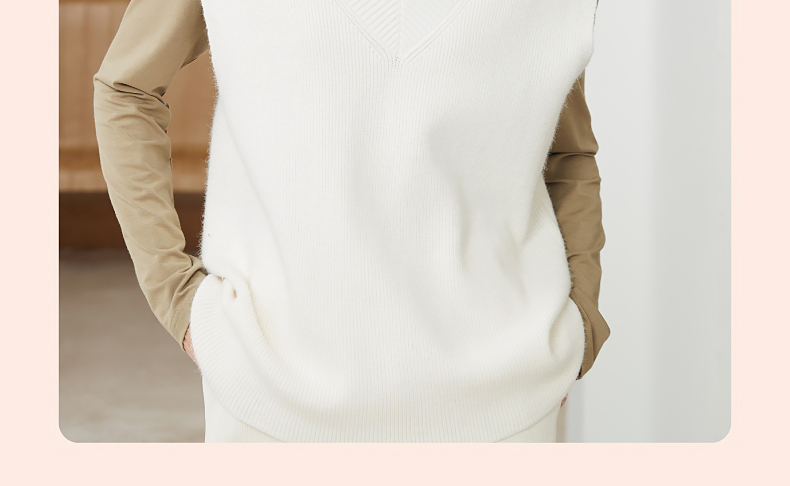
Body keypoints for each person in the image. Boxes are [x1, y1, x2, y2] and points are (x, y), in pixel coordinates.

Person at [93, 0, 609, 443]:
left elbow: (567, 150)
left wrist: (582, 318)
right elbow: (127, 87)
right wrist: (174, 295)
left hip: (506, 401)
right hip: (268, 393)